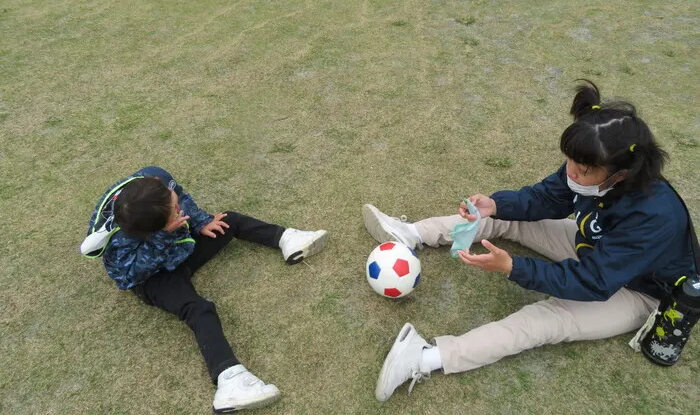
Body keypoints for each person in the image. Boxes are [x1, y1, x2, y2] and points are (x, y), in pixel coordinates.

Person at [362, 81, 695, 402]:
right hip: (595, 249)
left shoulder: (655, 217)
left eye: (582, 169)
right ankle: (411, 234)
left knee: (542, 321)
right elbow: (546, 197)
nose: (571, 173)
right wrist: (497, 205)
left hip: (636, 291)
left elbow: (593, 282)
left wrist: (513, 267)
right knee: (502, 217)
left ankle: (423, 357)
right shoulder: (588, 164)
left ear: (620, 174)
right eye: (570, 162)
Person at [80, 166, 329, 413]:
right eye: (175, 212)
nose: (179, 208)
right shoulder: (118, 242)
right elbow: (128, 277)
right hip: (152, 277)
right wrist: (162, 238)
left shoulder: (155, 182)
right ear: (154, 229)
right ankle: (229, 380)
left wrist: (200, 222)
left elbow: (180, 197)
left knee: (227, 221)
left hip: (179, 243)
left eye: (174, 202)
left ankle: (287, 239)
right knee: (198, 309)